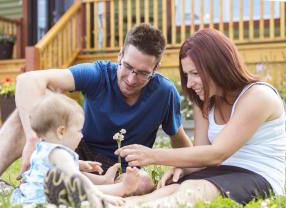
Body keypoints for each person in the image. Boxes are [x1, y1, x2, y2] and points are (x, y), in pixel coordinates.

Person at [0, 23, 191, 196]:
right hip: (76, 151)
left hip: (121, 167)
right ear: (119, 55)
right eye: (127, 66)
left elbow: (179, 139)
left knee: (142, 183)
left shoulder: (165, 92)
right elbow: (27, 80)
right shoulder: (98, 73)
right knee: (43, 107)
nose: (131, 78)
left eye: (143, 73)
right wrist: (33, 140)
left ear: (156, 69)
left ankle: (56, 183)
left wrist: (185, 166)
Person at [116, 28, 286, 206]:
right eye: (187, 74)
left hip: (258, 176)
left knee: (194, 189)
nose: (189, 83)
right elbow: (201, 155)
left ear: (219, 66)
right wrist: (183, 168)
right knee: (170, 189)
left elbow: (216, 154)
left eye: (195, 74)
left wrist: (152, 155)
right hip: (219, 173)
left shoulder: (258, 96)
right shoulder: (204, 100)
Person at [11, 93, 138, 206]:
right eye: (78, 131)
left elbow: (54, 167)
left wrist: (80, 164)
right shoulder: (59, 152)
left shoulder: (42, 147)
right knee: (79, 185)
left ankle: (109, 183)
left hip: (29, 196)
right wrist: (101, 196)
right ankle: (121, 188)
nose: (81, 135)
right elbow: (76, 179)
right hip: (44, 199)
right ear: (61, 132)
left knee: (73, 180)